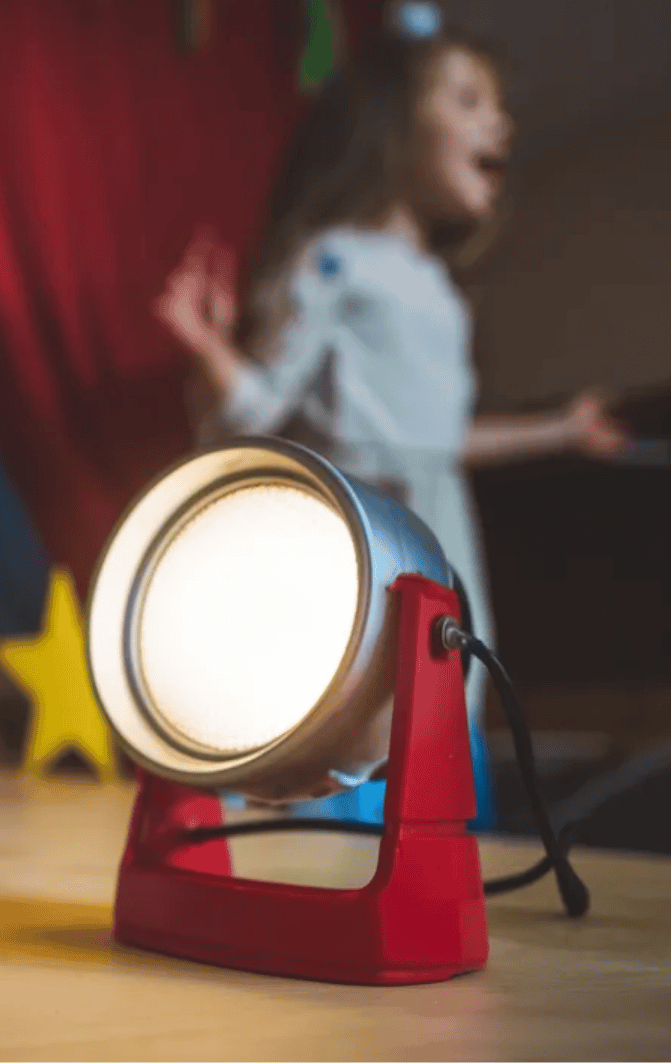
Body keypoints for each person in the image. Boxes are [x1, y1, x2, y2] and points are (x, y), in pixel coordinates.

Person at [153, 1, 630, 824]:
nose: (501, 121)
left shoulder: (443, 293)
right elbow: (261, 409)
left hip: (443, 535)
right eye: (468, 100)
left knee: (445, 703)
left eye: (499, 105)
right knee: (348, 704)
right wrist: (208, 349)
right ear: (396, 124)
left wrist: (563, 429)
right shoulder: (335, 260)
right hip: (365, 533)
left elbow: (438, 444)